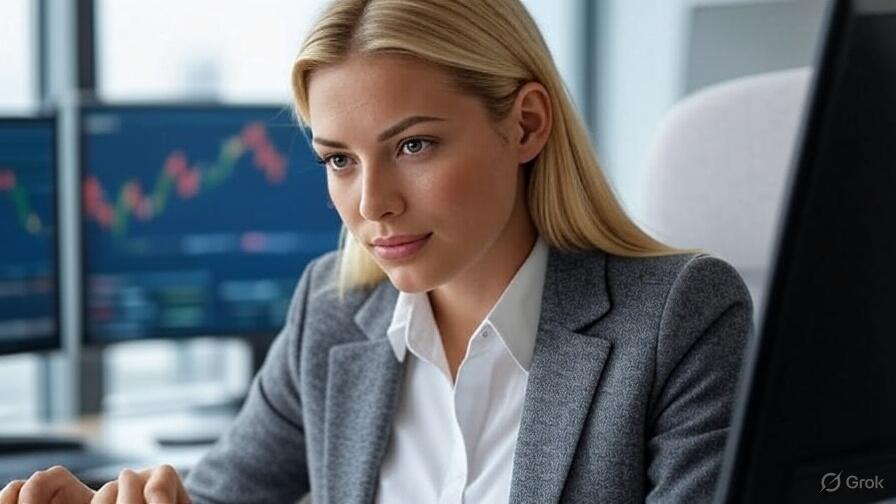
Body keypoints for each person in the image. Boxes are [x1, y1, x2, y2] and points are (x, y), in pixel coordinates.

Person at [0, 0, 753, 502]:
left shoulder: (680, 317)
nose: (371, 204)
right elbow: (220, 495)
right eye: (339, 159)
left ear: (526, 124)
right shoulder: (335, 309)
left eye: (413, 145)